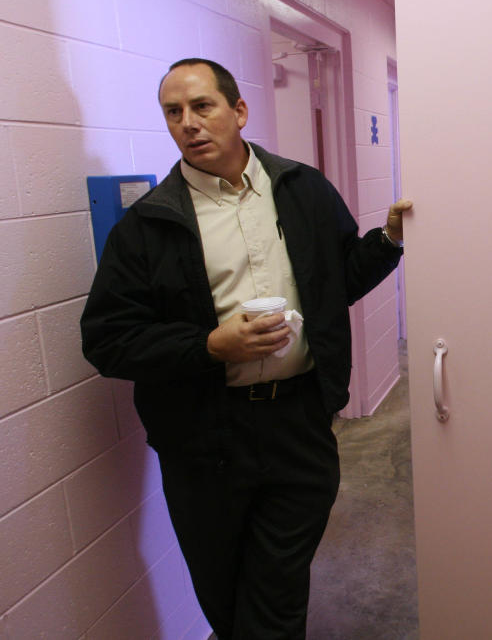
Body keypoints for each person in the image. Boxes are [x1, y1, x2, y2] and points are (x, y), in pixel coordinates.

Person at [80, 57, 412, 639]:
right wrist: (210, 344)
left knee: (277, 590)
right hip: (203, 439)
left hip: (298, 423)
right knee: (223, 588)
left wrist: (386, 242)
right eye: (173, 113)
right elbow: (107, 341)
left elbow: (336, 283)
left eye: (202, 107)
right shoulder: (149, 225)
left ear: (238, 111)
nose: (188, 124)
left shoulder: (301, 189)